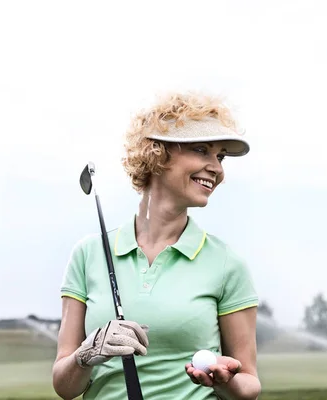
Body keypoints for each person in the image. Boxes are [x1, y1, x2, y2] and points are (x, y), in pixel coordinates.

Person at [52, 92, 261, 400]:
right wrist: (88, 352)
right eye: (202, 150)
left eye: (220, 156)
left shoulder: (227, 263)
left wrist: (224, 380)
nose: (216, 168)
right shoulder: (88, 254)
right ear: (157, 153)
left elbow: (250, 384)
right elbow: (64, 386)